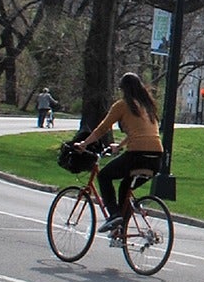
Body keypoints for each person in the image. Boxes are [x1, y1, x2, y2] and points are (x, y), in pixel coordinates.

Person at [70, 73, 164, 234]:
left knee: (104, 176)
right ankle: (121, 230)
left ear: (123, 89)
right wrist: (119, 146)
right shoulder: (147, 106)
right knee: (125, 189)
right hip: (156, 158)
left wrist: (84, 144)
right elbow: (140, 133)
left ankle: (114, 215)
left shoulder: (122, 105)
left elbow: (102, 128)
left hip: (137, 155)